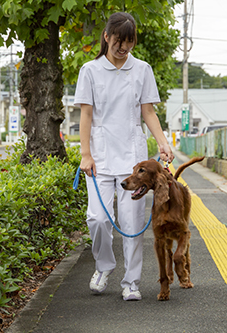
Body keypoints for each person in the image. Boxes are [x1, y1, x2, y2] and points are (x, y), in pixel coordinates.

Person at [74, 12, 174, 301]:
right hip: (100, 157)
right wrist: (85, 154)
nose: (123, 49)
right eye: (119, 42)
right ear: (107, 37)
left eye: (128, 44)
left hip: (133, 158)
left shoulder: (142, 69)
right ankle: (104, 266)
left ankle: (131, 282)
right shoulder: (89, 71)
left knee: (131, 224)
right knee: (97, 219)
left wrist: (163, 142)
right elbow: (86, 114)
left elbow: (148, 111)